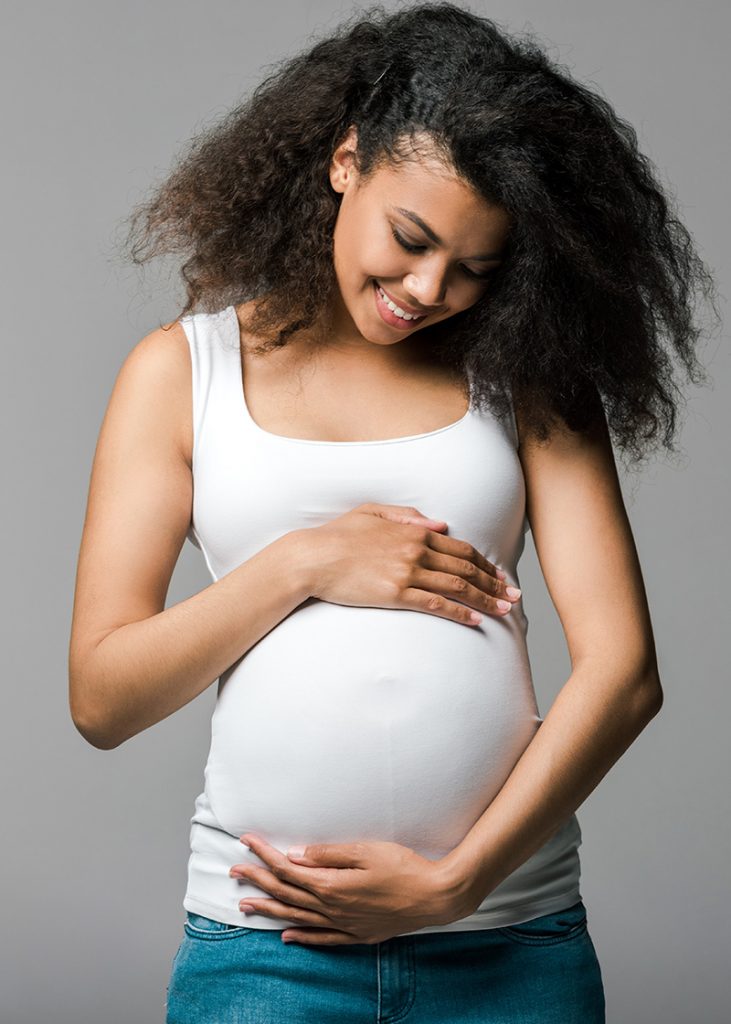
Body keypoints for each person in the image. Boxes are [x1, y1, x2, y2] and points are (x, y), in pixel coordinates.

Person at [68, 3, 718, 1022]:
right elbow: (102, 699)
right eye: (409, 239)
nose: (426, 290)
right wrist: (304, 562)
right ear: (343, 162)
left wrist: (455, 881)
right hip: (265, 948)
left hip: (509, 933)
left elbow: (624, 674)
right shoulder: (179, 374)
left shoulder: (527, 377)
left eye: (475, 268)